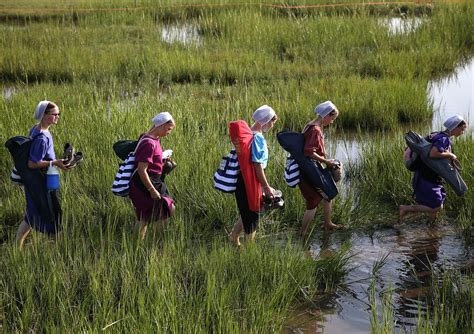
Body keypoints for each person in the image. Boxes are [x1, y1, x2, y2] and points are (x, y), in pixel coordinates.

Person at [16, 101, 70, 248]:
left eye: (59, 114)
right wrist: (55, 163)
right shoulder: (41, 138)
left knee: (32, 214)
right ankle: (60, 250)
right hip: (41, 182)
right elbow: (32, 163)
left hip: (35, 181)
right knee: (54, 214)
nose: (58, 117)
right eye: (55, 114)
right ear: (45, 115)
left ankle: (17, 246)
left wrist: (55, 161)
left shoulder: (37, 129)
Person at [399, 115, 468, 222]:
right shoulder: (443, 139)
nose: (462, 132)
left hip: (427, 175)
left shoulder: (437, 134)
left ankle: (431, 226)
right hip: (427, 177)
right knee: (436, 206)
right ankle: (405, 209)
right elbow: (433, 153)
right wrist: (450, 155)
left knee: (436, 205)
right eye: (462, 129)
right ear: (455, 128)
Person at [229, 105, 278, 246]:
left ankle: (233, 237)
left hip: (241, 179)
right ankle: (249, 249)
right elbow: (257, 165)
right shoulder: (258, 138)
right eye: (272, 122)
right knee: (253, 214)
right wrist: (266, 187)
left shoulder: (247, 136)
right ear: (266, 121)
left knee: (246, 211)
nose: (272, 125)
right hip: (250, 181)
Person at [129, 112, 176, 240]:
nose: (169, 132)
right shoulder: (148, 143)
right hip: (144, 183)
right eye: (169, 129)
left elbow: (151, 161)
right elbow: (141, 170)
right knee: (160, 211)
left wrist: (163, 161)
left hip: (153, 180)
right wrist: (152, 190)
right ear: (161, 125)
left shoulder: (152, 139)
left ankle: (144, 244)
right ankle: (155, 242)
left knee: (147, 215)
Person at [298, 100, 342, 237]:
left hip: (310, 167)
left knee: (328, 193)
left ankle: (328, 223)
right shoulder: (315, 130)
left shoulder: (309, 125)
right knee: (313, 201)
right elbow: (309, 152)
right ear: (326, 116)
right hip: (308, 170)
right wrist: (326, 161)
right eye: (332, 118)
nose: (332, 122)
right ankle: (302, 232)